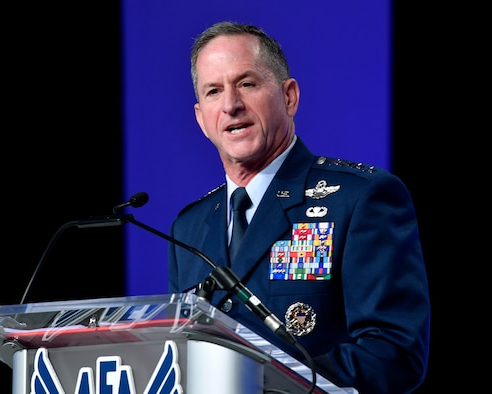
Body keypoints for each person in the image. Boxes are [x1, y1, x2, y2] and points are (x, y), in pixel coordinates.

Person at [167, 21, 430, 393]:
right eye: (213, 91)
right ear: (201, 119)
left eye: (247, 83)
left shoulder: (359, 199)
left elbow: (394, 353)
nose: (230, 105)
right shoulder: (189, 227)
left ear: (289, 97)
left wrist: (264, 385)